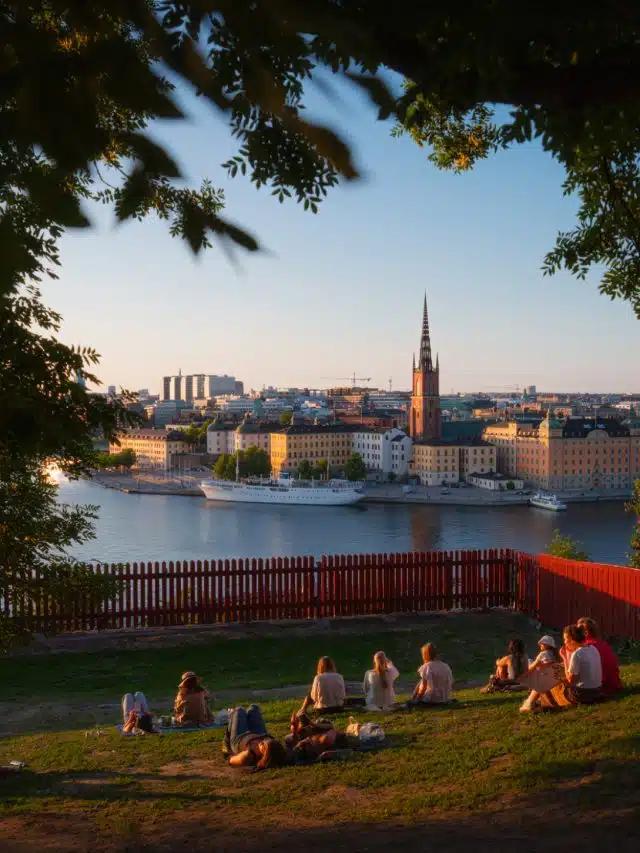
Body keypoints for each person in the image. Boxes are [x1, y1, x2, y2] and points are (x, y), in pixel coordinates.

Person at [539, 625, 602, 709]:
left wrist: (564, 658)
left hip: (582, 695)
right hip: (597, 691)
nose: (564, 642)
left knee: (548, 684)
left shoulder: (577, 654)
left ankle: (540, 703)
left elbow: (570, 681)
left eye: (565, 639)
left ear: (571, 639)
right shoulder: (593, 649)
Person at [225, 705, 288, 769]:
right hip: (258, 734)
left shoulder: (249, 755)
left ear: (265, 756)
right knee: (253, 708)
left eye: (263, 746)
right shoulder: (273, 747)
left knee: (239, 710)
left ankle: (232, 715)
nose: (261, 742)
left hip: (240, 738)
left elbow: (230, 760)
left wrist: (230, 752)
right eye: (264, 741)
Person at [577, 616, 622, 696]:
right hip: (614, 685)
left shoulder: (586, 647)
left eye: (577, 631)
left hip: (599, 688)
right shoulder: (603, 644)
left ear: (585, 632)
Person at [519, 635, 563, 712]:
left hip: (544, 677)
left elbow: (537, 666)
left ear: (546, 645)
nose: (540, 645)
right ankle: (535, 700)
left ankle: (529, 704)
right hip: (554, 677)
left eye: (541, 644)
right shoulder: (556, 654)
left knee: (529, 662)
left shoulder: (543, 654)